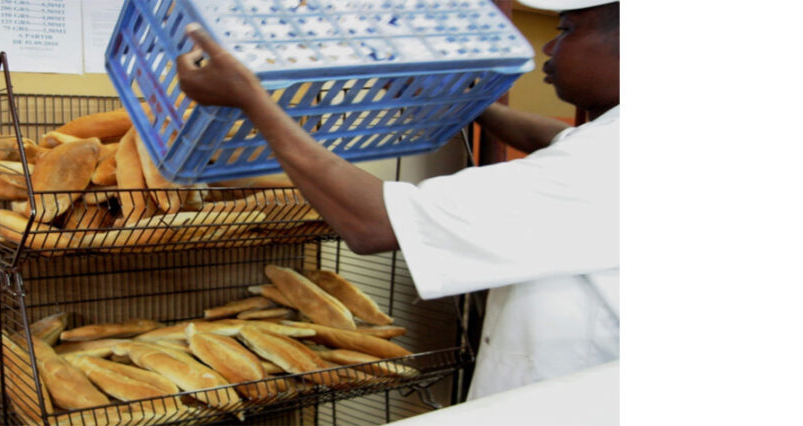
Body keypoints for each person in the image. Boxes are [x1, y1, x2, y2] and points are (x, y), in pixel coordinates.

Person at [176, 0, 619, 399]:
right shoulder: (607, 143)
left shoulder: (604, 161)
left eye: (566, 29)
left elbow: (373, 224)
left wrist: (252, 100)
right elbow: (558, 140)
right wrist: (466, 103)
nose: (549, 47)